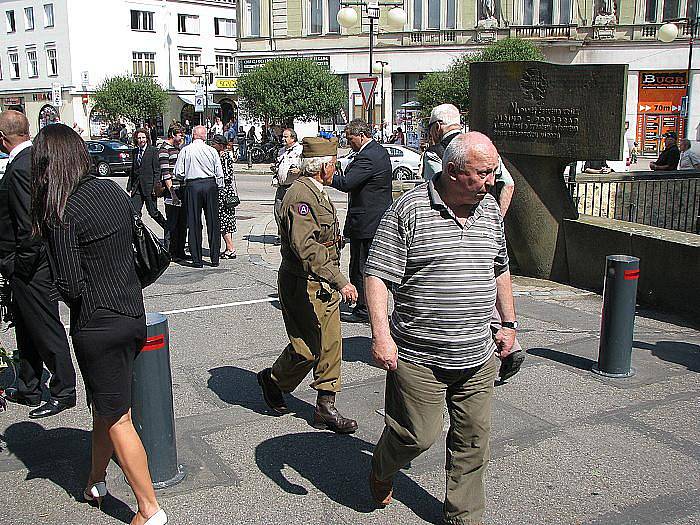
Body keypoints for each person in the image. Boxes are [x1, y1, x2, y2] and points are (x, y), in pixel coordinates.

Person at [365, 132, 517, 525]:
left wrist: (510, 323)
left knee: (473, 441)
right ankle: (382, 467)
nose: (491, 182)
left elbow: (500, 269)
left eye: (493, 173)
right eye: (483, 174)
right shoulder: (409, 211)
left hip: (477, 354)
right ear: (451, 172)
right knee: (416, 435)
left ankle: (462, 517)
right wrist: (381, 334)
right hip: (418, 357)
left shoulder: (488, 214)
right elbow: (378, 275)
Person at [30, 123, 167, 525]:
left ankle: (149, 509)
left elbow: (71, 285)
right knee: (105, 409)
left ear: (49, 165)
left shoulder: (61, 211)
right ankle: (96, 480)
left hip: (97, 324)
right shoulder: (110, 191)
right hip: (132, 314)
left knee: (118, 416)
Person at [257, 137, 359, 434]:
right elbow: (306, 247)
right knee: (307, 350)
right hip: (303, 282)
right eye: (334, 163)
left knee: (331, 344)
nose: (336, 167)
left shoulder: (316, 191)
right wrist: (340, 280)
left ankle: (325, 406)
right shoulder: (301, 196)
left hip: (321, 279)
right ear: (324, 166)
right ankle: (273, 380)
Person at [0, 110, 77, 418]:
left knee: (45, 327)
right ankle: (30, 385)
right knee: (27, 328)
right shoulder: (29, 159)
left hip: (29, 265)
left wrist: (17, 265)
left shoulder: (21, 166)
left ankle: (64, 389)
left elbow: (28, 227)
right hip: (25, 264)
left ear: (3, 139)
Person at [331, 119, 392, 323]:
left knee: (361, 266)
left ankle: (364, 308)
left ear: (362, 135)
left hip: (367, 221)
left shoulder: (368, 156)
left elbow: (348, 182)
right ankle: (369, 304)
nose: (348, 143)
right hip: (371, 219)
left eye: (350, 138)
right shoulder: (376, 151)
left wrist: (326, 176)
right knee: (368, 265)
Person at [175, 125, 223, 268]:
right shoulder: (211, 150)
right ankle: (215, 257)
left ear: (193, 135)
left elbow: (178, 172)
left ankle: (197, 259)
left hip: (193, 185)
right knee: (213, 222)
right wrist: (218, 188)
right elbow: (219, 173)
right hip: (210, 184)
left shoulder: (186, 150)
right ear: (204, 136)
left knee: (194, 222)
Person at [128, 129, 167, 230]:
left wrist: (155, 186)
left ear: (147, 138)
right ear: (136, 139)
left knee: (153, 212)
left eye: (143, 138)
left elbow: (157, 171)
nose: (141, 140)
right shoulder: (135, 152)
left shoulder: (153, 151)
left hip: (149, 188)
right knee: (134, 213)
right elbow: (133, 170)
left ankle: (167, 228)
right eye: (139, 138)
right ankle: (139, 235)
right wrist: (130, 187)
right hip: (137, 188)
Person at [159, 125, 187, 262]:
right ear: (172, 134)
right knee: (172, 223)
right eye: (180, 135)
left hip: (181, 189)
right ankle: (169, 252)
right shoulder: (164, 149)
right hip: (172, 191)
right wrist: (173, 194)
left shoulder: (177, 148)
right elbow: (166, 174)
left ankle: (180, 251)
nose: (182, 137)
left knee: (182, 223)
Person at [272, 128, 304, 238]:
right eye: (283, 136)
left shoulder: (300, 150)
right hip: (281, 186)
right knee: (278, 211)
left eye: (286, 137)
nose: (283, 139)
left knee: (292, 213)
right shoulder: (282, 151)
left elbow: (308, 167)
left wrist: (300, 171)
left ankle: (293, 236)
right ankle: (282, 235)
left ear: (293, 138)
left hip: (293, 186)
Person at [211, 134, 238, 259]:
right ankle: (228, 247)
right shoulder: (224, 155)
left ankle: (231, 248)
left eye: (214, 143)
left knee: (223, 221)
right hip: (227, 192)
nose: (212, 145)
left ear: (220, 145)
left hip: (223, 192)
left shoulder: (224, 156)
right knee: (227, 221)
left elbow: (226, 175)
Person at [420, 103, 462, 181]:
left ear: (437, 127)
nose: (430, 133)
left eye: (429, 128)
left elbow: (433, 188)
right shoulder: (473, 145)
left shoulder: (433, 153)